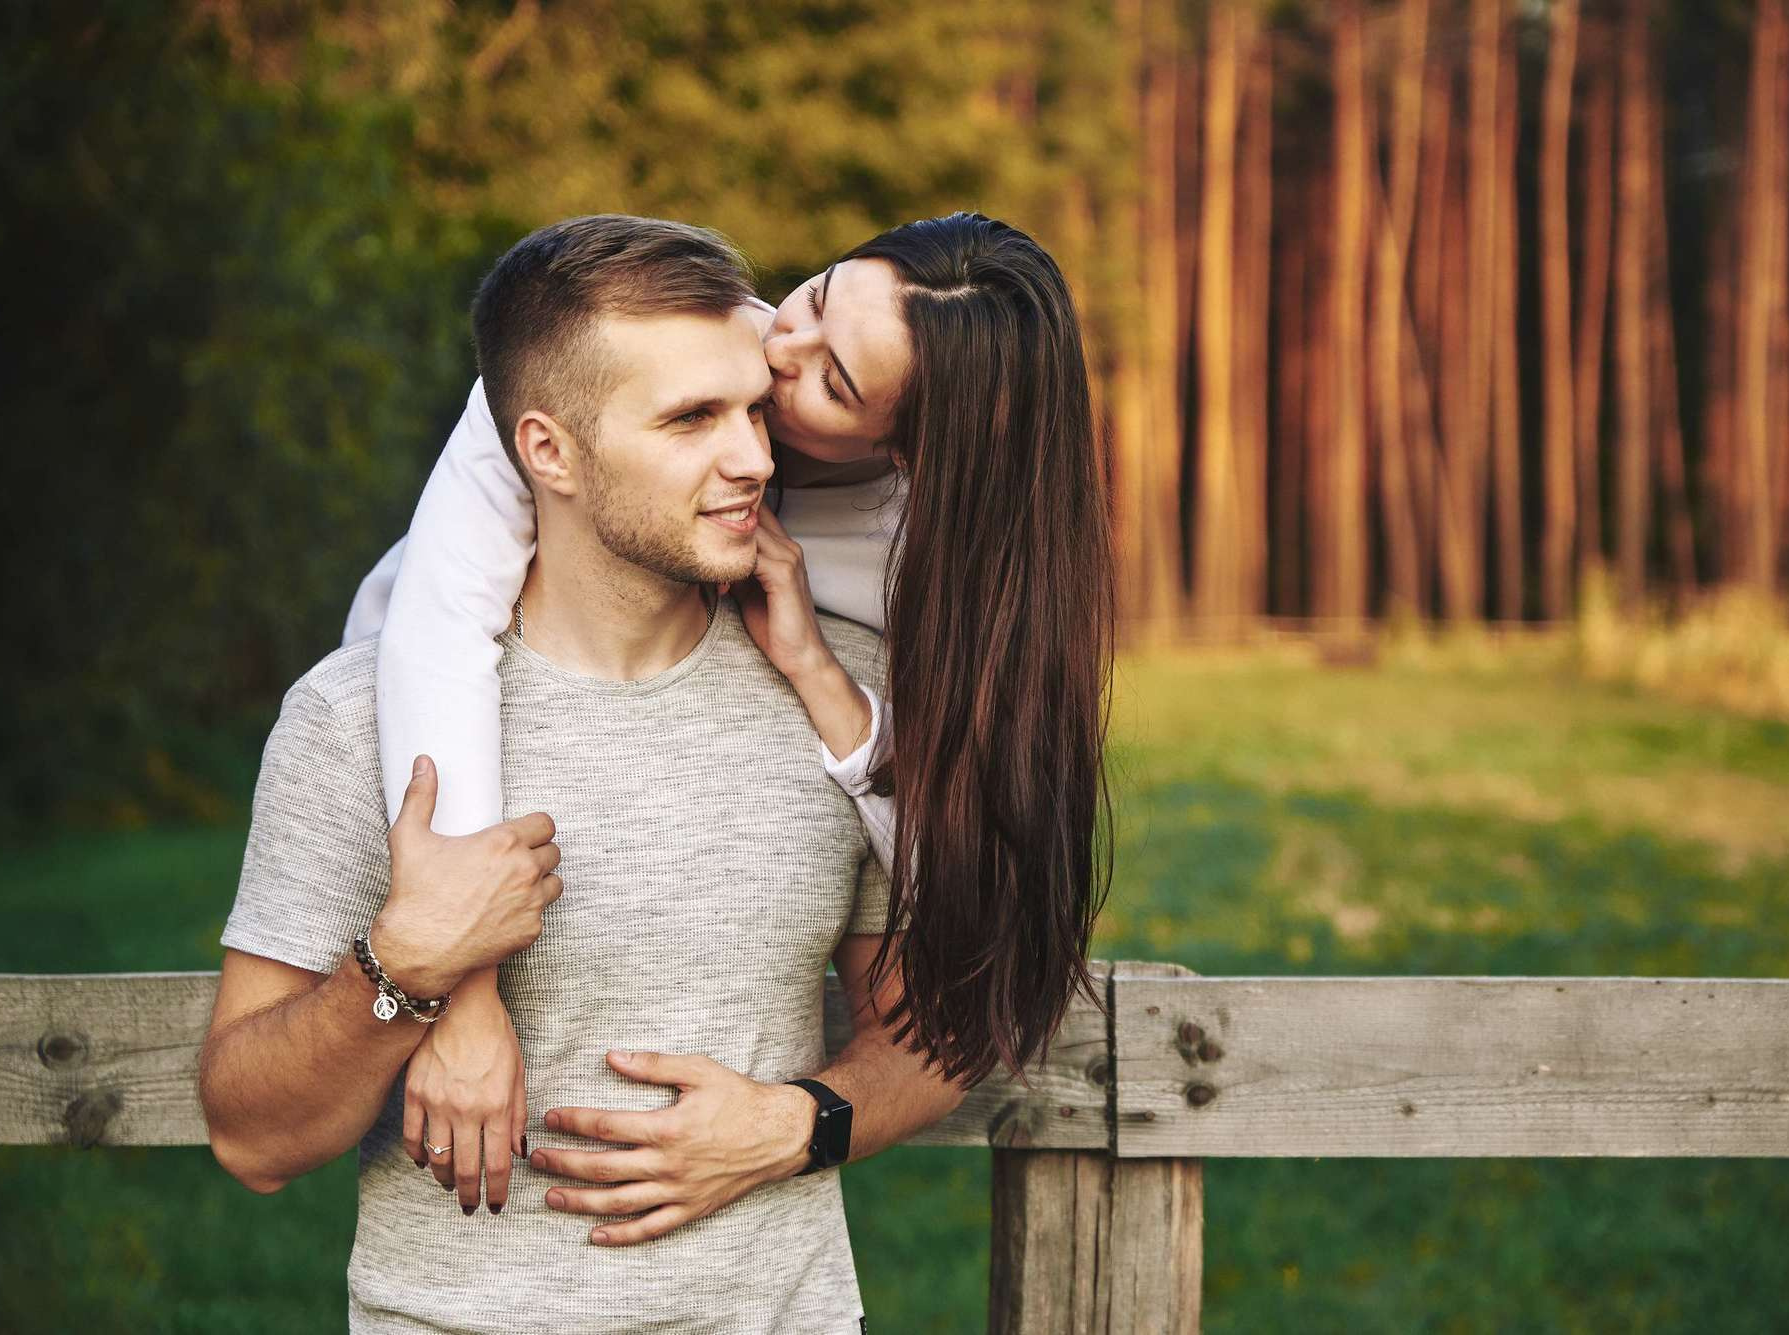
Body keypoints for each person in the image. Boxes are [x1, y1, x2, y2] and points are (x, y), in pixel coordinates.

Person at [199, 215, 964, 1332]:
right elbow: (251, 1140)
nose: (755, 456)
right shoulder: (351, 716)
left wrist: (797, 1123)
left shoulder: (838, 695)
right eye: (692, 419)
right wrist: (408, 970)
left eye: (753, 408)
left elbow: (937, 1025)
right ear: (546, 451)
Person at [346, 211, 1116, 1214]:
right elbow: (436, 631)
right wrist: (460, 992)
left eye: (833, 382)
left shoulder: (951, 559)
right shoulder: (633, 358)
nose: (777, 346)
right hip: (428, 719)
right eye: (817, 296)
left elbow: (979, 904)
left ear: (909, 452)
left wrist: (819, 678)